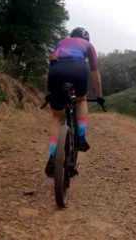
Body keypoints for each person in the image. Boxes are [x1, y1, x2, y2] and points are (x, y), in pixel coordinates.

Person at [45, 27, 104, 177]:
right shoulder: (88, 46)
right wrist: (99, 95)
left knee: (57, 116)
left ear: (71, 36)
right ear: (86, 39)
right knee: (81, 99)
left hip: (56, 71)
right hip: (78, 69)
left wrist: (51, 92)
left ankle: (52, 156)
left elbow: (51, 62)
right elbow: (95, 73)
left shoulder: (61, 42)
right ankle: (81, 137)